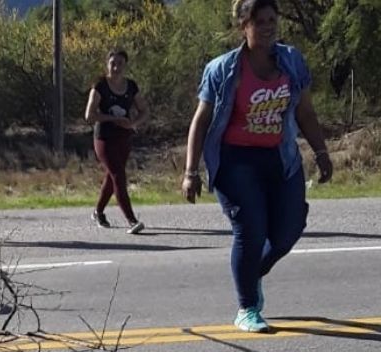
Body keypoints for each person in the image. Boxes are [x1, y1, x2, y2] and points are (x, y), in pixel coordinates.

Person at [182, 0, 334, 332]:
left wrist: (322, 152)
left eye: (271, 20)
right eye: (259, 21)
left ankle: (252, 272)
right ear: (244, 26)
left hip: (279, 156)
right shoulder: (223, 70)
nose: (267, 27)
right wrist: (191, 172)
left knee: (288, 230)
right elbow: (201, 121)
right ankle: (247, 307)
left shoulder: (291, 61)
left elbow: (305, 112)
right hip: (234, 159)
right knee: (250, 230)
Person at [84, 49, 150, 234]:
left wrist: (133, 123)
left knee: (112, 177)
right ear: (107, 64)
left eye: (120, 63)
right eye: (113, 63)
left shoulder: (131, 86)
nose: (116, 67)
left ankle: (98, 212)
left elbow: (145, 110)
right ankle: (131, 220)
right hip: (104, 138)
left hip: (124, 138)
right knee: (118, 175)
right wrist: (113, 119)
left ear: (125, 65)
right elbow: (89, 116)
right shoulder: (100, 86)